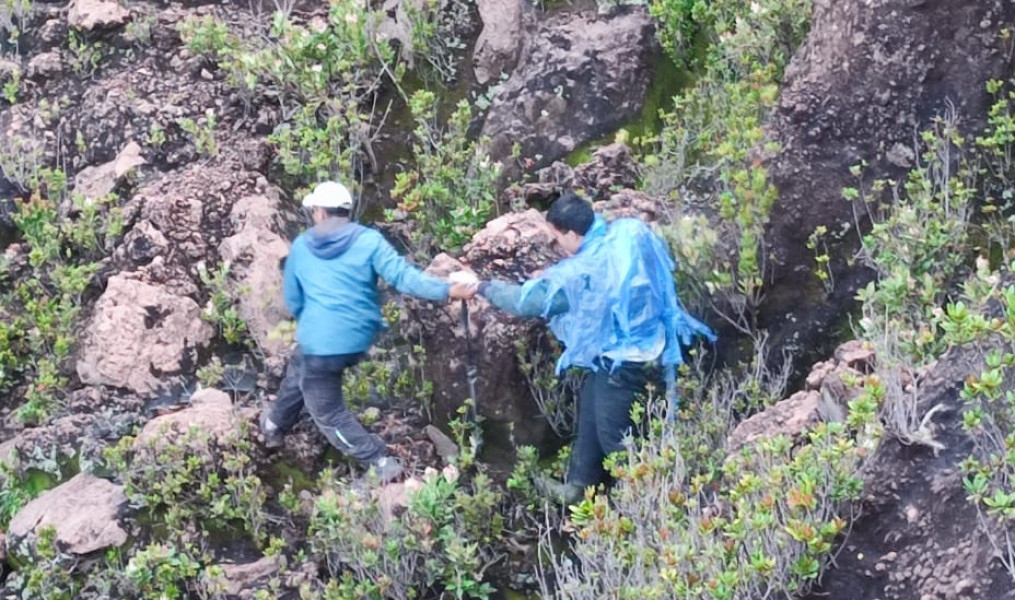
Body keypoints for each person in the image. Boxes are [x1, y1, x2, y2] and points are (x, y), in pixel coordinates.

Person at [469, 192, 715, 504]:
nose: (558, 250)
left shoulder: (585, 269)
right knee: (590, 416)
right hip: (642, 345)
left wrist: (481, 286)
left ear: (572, 233)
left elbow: (528, 302)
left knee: (614, 437)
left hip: (625, 361)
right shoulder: (624, 233)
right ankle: (577, 488)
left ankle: (653, 504)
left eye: (557, 240)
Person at [259, 180, 475, 484]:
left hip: (324, 341)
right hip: (357, 336)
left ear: (319, 213)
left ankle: (379, 461)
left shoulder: (303, 247)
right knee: (301, 366)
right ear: (347, 212)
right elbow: (405, 279)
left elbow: (293, 299)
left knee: (327, 410)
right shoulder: (370, 241)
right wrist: (449, 290)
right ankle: (274, 423)